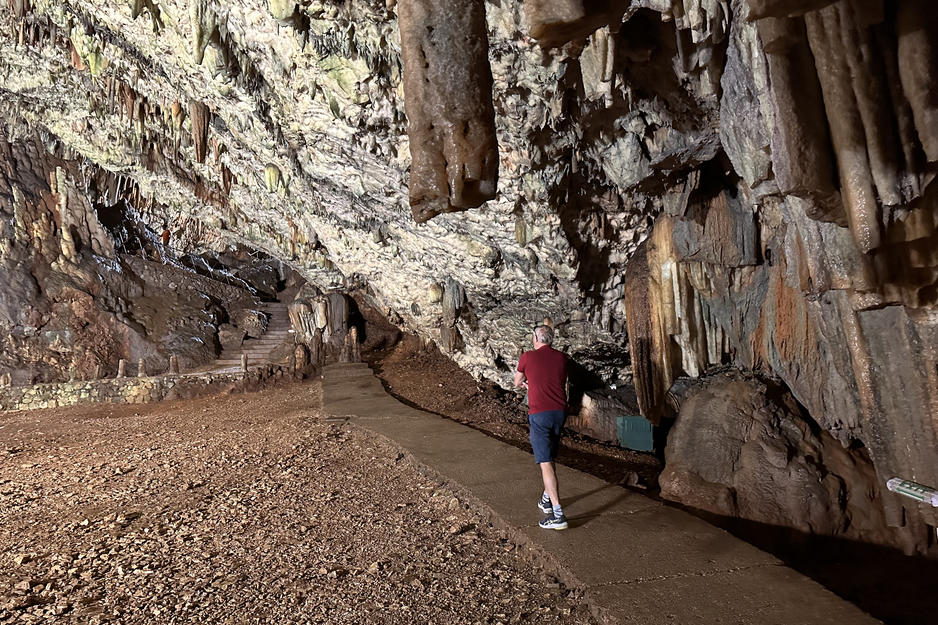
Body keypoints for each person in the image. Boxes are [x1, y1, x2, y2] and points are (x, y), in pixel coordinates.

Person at [515, 323, 569, 530]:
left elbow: (517, 381)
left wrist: (528, 385)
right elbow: (555, 379)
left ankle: (558, 514)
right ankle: (546, 499)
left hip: (540, 414)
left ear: (535, 339)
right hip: (559, 413)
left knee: (545, 462)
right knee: (551, 456)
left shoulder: (527, 356)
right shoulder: (563, 358)